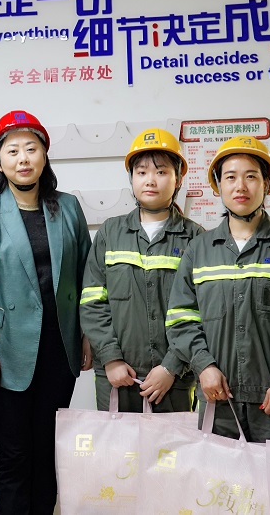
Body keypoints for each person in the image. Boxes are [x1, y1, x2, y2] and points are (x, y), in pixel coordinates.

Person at [0, 110, 92, 515]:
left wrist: (86, 334)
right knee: (14, 452)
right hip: (5, 352)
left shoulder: (68, 207)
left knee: (48, 449)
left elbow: (86, 276)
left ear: (44, 155)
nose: (23, 158)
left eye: (31, 148)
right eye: (13, 150)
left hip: (59, 350)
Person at [166, 135, 270, 442]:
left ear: (267, 183)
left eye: (251, 176)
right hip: (217, 398)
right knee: (216, 474)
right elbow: (181, 319)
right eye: (230, 177)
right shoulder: (199, 250)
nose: (240, 186)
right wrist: (204, 366)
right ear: (218, 186)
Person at [80, 128, 202, 413]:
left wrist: (171, 366)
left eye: (161, 172)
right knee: (115, 443)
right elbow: (92, 301)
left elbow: (201, 312)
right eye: (142, 172)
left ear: (178, 179)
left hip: (175, 378)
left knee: (173, 444)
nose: (150, 180)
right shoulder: (110, 232)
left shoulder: (196, 238)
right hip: (116, 377)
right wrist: (110, 358)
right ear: (132, 178)